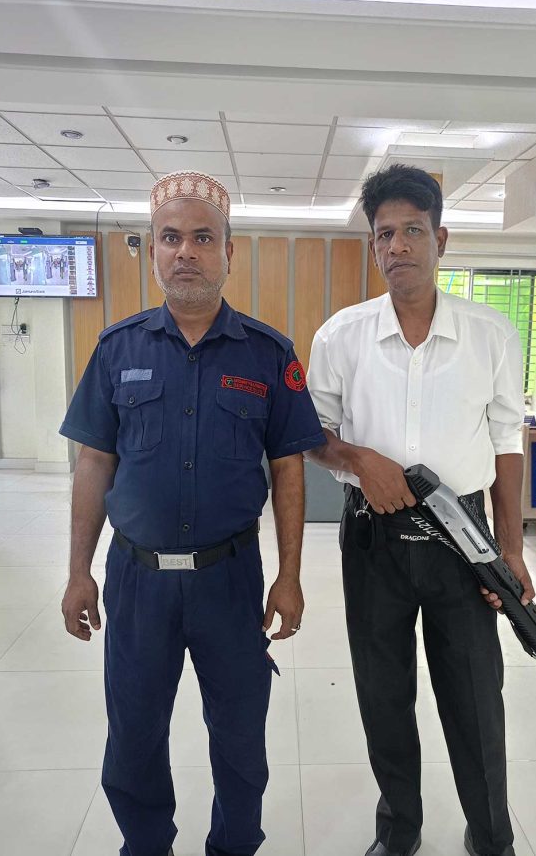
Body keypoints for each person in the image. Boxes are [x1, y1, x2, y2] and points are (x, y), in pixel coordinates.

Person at [59, 170, 326, 856]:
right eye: (171, 237)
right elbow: (94, 463)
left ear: (228, 252)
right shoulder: (117, 349)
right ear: (152, 249)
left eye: (203, 238)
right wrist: (79, 572)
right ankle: (146, 845)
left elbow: (288, 469)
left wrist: (290, 576)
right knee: (134, 736)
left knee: (239, 738)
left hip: (229, 581)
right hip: (137, 581)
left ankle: (233, 846)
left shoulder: (268, 355)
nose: (186, 252)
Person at [306, 164, 530, 856]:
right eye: (384, 234)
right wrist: (359, 460)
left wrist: (512, 550)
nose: (397, 245)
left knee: (475, 695)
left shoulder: (491, 333)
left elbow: (507, 442)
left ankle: (491, 835)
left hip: (465, 540)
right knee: (383, 693)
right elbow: (312, 434)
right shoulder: (340, 335)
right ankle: (399, 829)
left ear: (441, 238)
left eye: (412, 230)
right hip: (372, 541)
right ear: (372, 245)